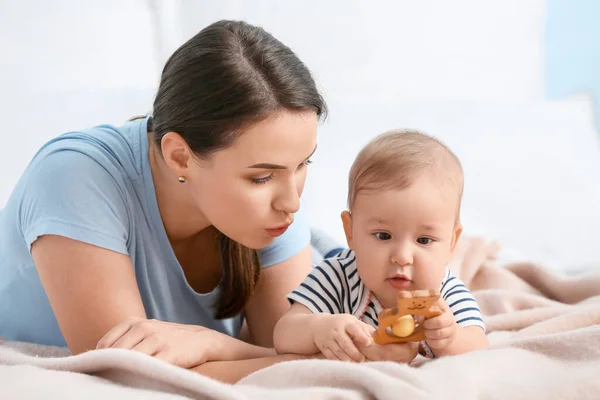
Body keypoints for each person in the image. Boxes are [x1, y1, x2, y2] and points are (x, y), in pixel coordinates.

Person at [0, 20, 416, 383]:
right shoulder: (73, 179)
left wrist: (210, 344)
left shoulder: (276, 208)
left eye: (302, 164)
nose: (292, 201)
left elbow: (292, 350)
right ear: (179, 155)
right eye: (261, 177)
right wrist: (248, 350)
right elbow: (125, 374)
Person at [274, 130, 489, 362]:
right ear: (350, 232)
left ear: (452, 243)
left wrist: (451, 338)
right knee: (313, 240)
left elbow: (481, 348)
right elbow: (283, 334)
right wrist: (318, 328)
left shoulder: (445, 294)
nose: (403, 257)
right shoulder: (338, 276)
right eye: (383, 236)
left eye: (424, 240)